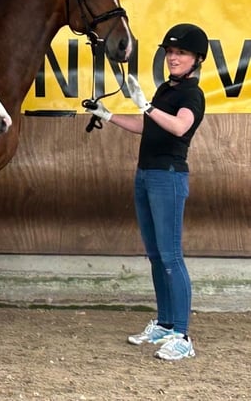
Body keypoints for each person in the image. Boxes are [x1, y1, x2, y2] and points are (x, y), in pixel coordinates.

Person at [85, 23, 208, 361]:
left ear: (197, 58)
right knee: (156, 256)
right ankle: (166, 324)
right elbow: (147, 124)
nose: (173, 57)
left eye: (180, 52)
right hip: (146, 174)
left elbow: (180, 126)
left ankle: (183, 335)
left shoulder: (191, 95)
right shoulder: (166, 90)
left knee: (171, 257)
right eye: (169, 52)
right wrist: (107, 115)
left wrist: (147, 106)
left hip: (167, 176)